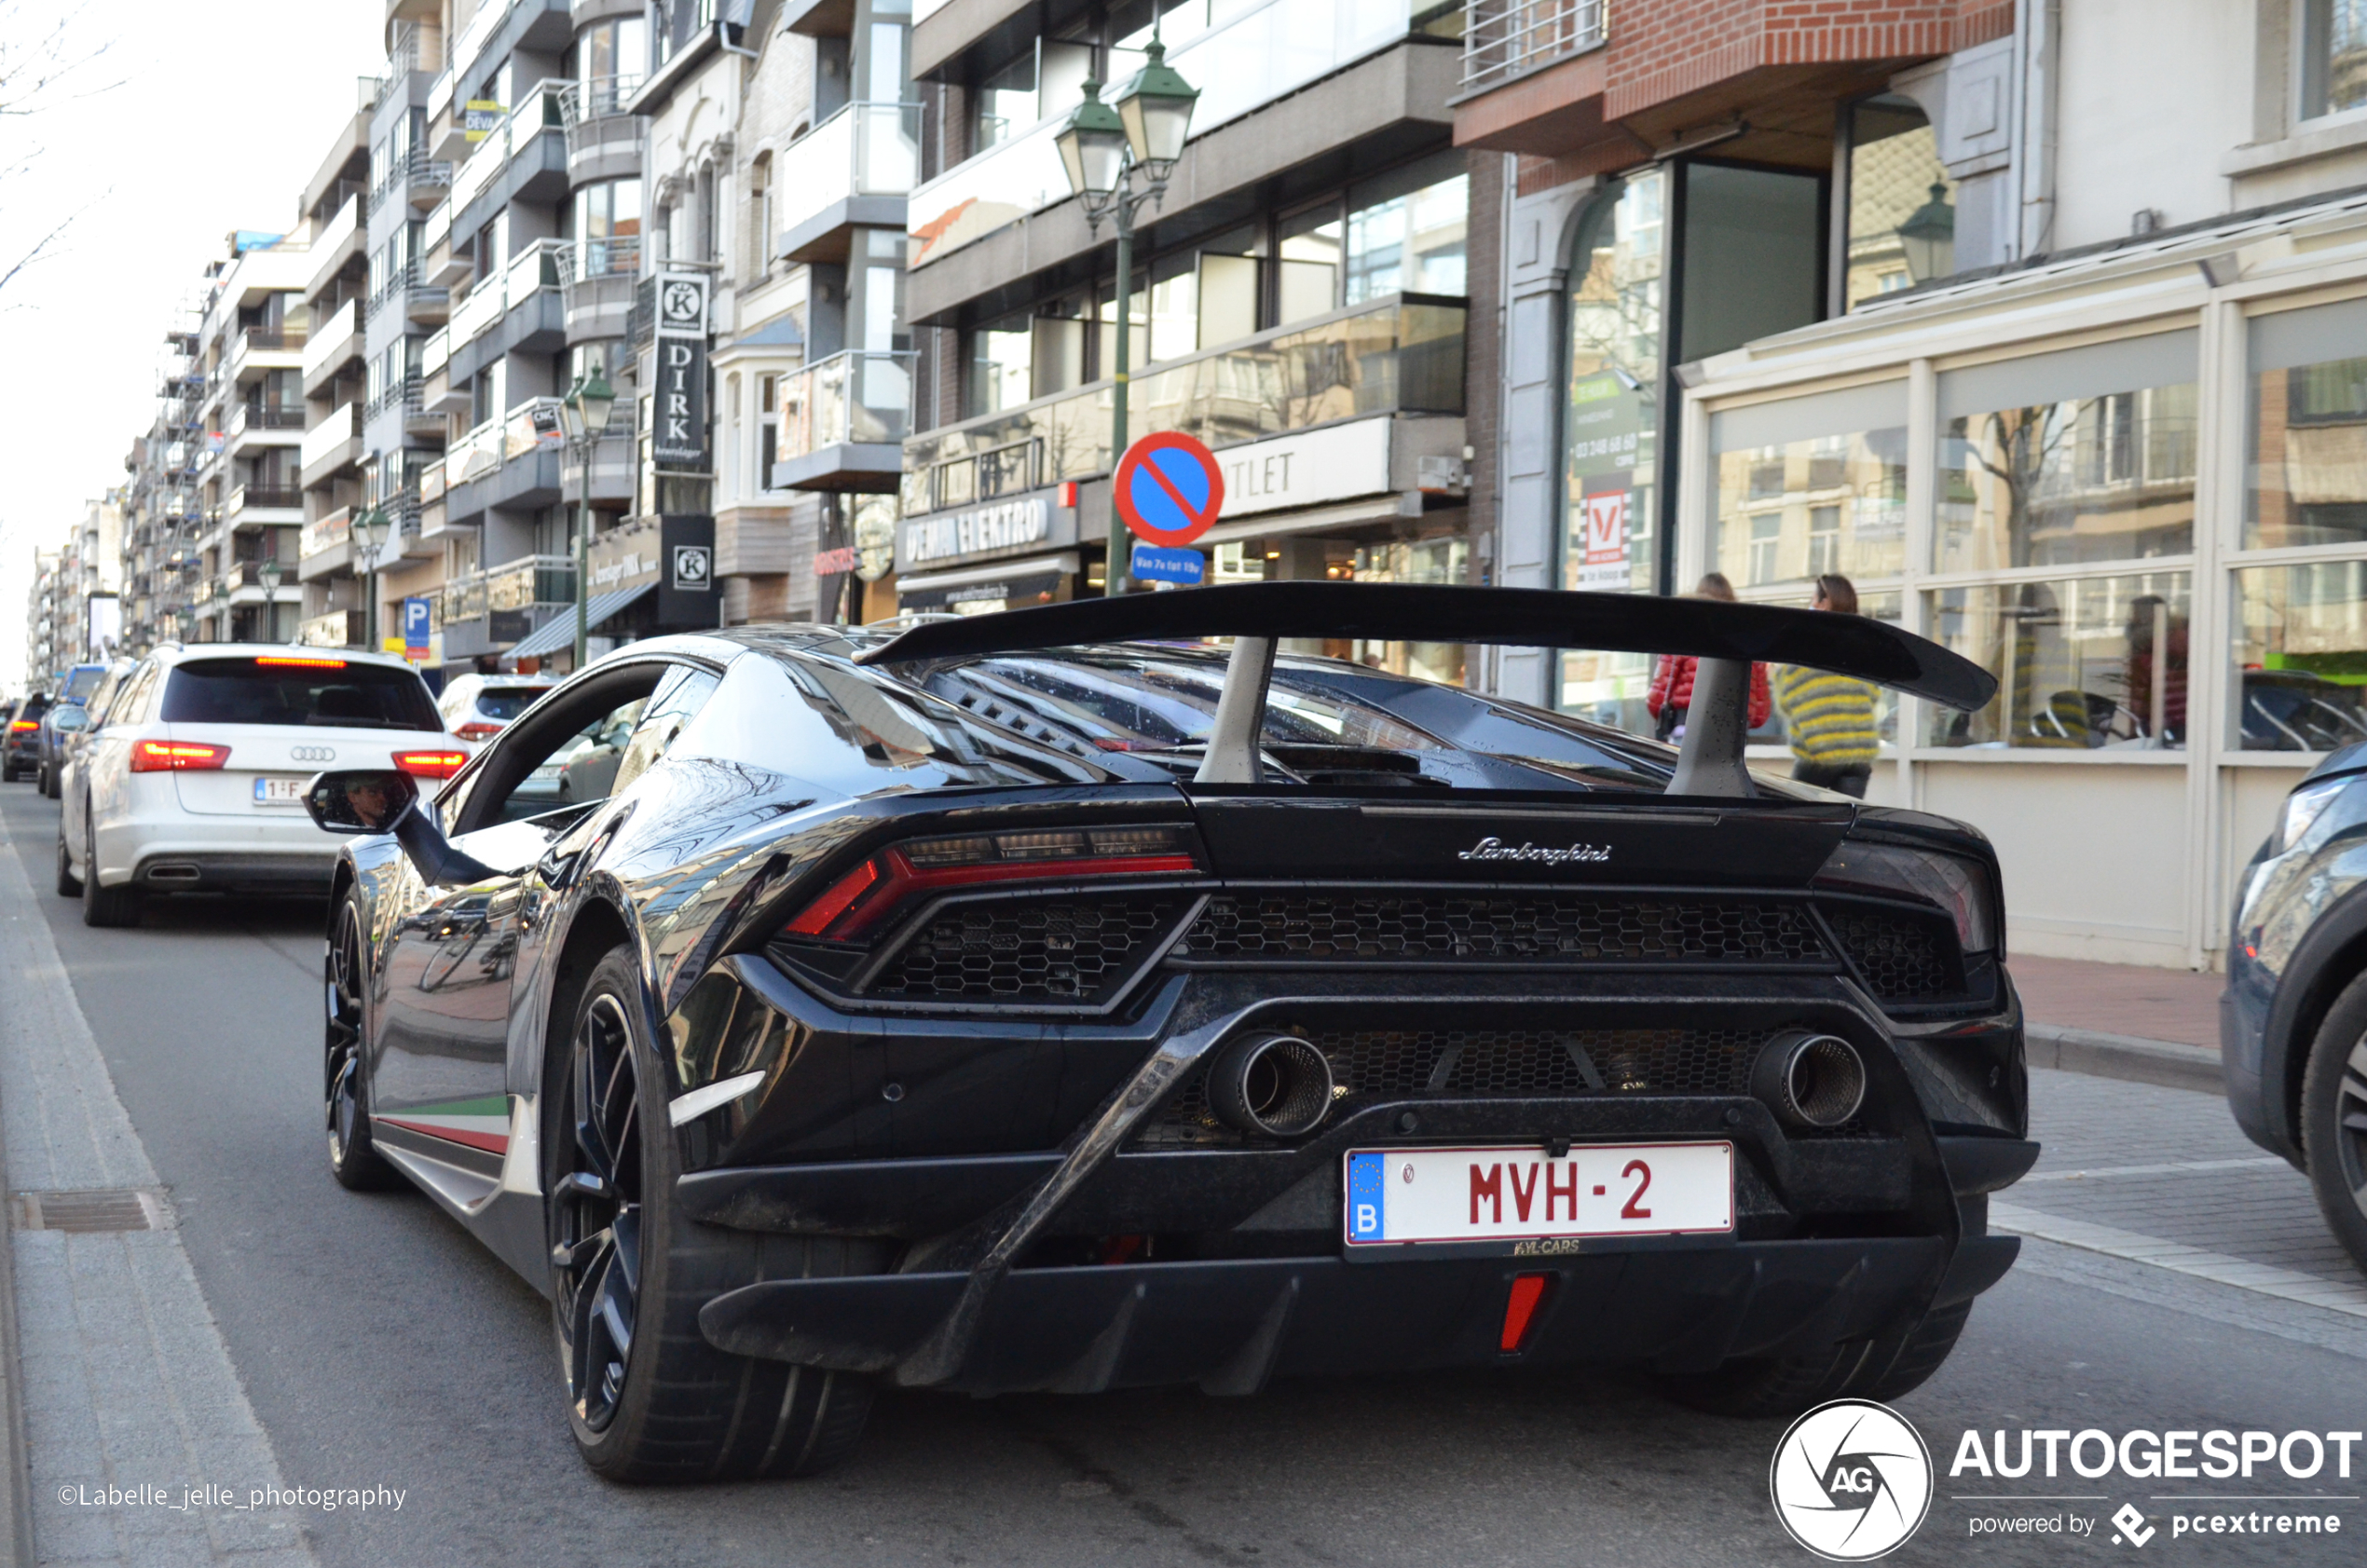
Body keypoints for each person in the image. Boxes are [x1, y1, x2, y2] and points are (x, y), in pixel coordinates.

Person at [1774, 573, 1881, 797]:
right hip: (1859, 753)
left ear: (1824, 603)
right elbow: (1873, 694)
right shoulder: (1864, 645)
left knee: (1798, 820)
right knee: (1845, 823)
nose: (1811, 604)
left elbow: (1786, 698)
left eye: (1814, 599)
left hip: (1819, 750)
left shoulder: (1805, 642)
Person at [1646, 573, 1771, 741]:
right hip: (1733, 733)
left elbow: (1659, 695)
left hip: (1687, 725)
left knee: (1684, 766)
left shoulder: (1685, 629)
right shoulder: (1748, 638)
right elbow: (1760, 713)